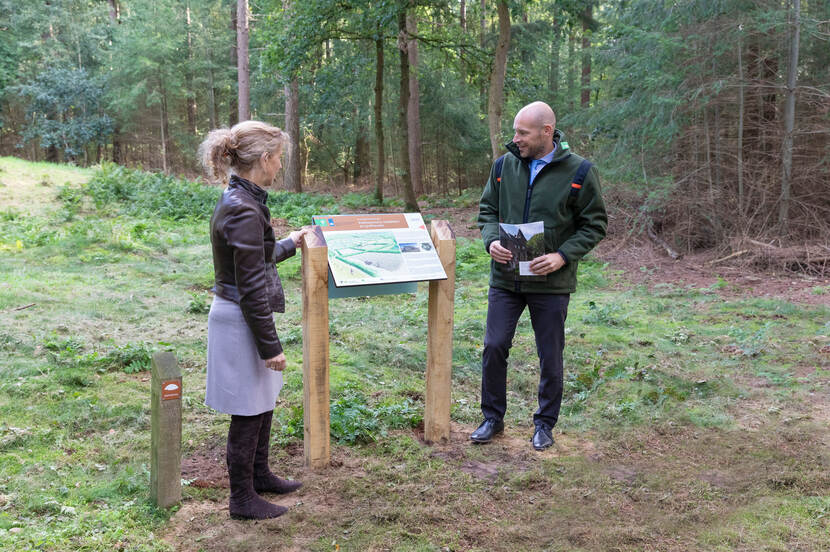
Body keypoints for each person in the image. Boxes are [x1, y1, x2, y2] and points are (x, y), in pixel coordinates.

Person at [472, 101, 607, 450]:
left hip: (550, 283)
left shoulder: (580, 172)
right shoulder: (503, 167)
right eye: (515, 131)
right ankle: (492, 419)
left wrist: (562, 256)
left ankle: (545, 424)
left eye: (523, 133)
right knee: (493, 345)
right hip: (506, 279)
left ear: (547, 132)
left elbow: (594, 225)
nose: (515, 139)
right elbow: (487, 210)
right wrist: (490, 243)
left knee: (550, 354)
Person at [199, 120, 308, 520]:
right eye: (278, 158)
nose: (280, 165)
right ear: (263, 159)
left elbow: (255, 258)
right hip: (240, 317)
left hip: (245, 315)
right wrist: (271, 347)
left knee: (262, 399)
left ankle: (260, 474)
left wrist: (290, 243)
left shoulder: (244, 199)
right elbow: (249, 288)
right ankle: (241, 498)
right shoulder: (242, 208)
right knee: (247, 407)